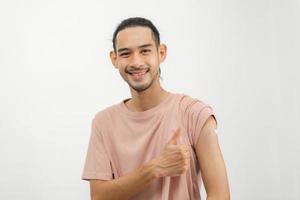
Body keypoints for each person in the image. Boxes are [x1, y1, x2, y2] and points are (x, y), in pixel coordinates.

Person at [81, 17, 230, 200]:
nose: (136, 62)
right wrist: (154, 169)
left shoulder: (194, 113)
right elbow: (98, 196)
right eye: (126, 53)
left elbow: (220, 194)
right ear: (114, 59)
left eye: (145, 51)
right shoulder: (103, 123)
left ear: (161, 52)